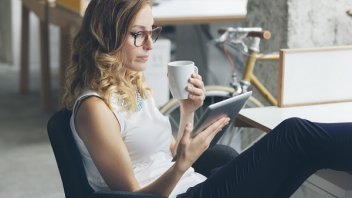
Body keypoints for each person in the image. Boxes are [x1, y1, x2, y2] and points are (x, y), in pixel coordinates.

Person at [61, 0, 352, 197]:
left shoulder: (131, 84)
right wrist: (182, 166)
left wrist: (189, 112)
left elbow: (165, 155)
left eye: (152, 32)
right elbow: (136, 195)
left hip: (196, 184)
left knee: (300, 156)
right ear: (106, 36)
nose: (150, 44)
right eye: (138, 34)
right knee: (294, 135)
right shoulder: (95, 110)